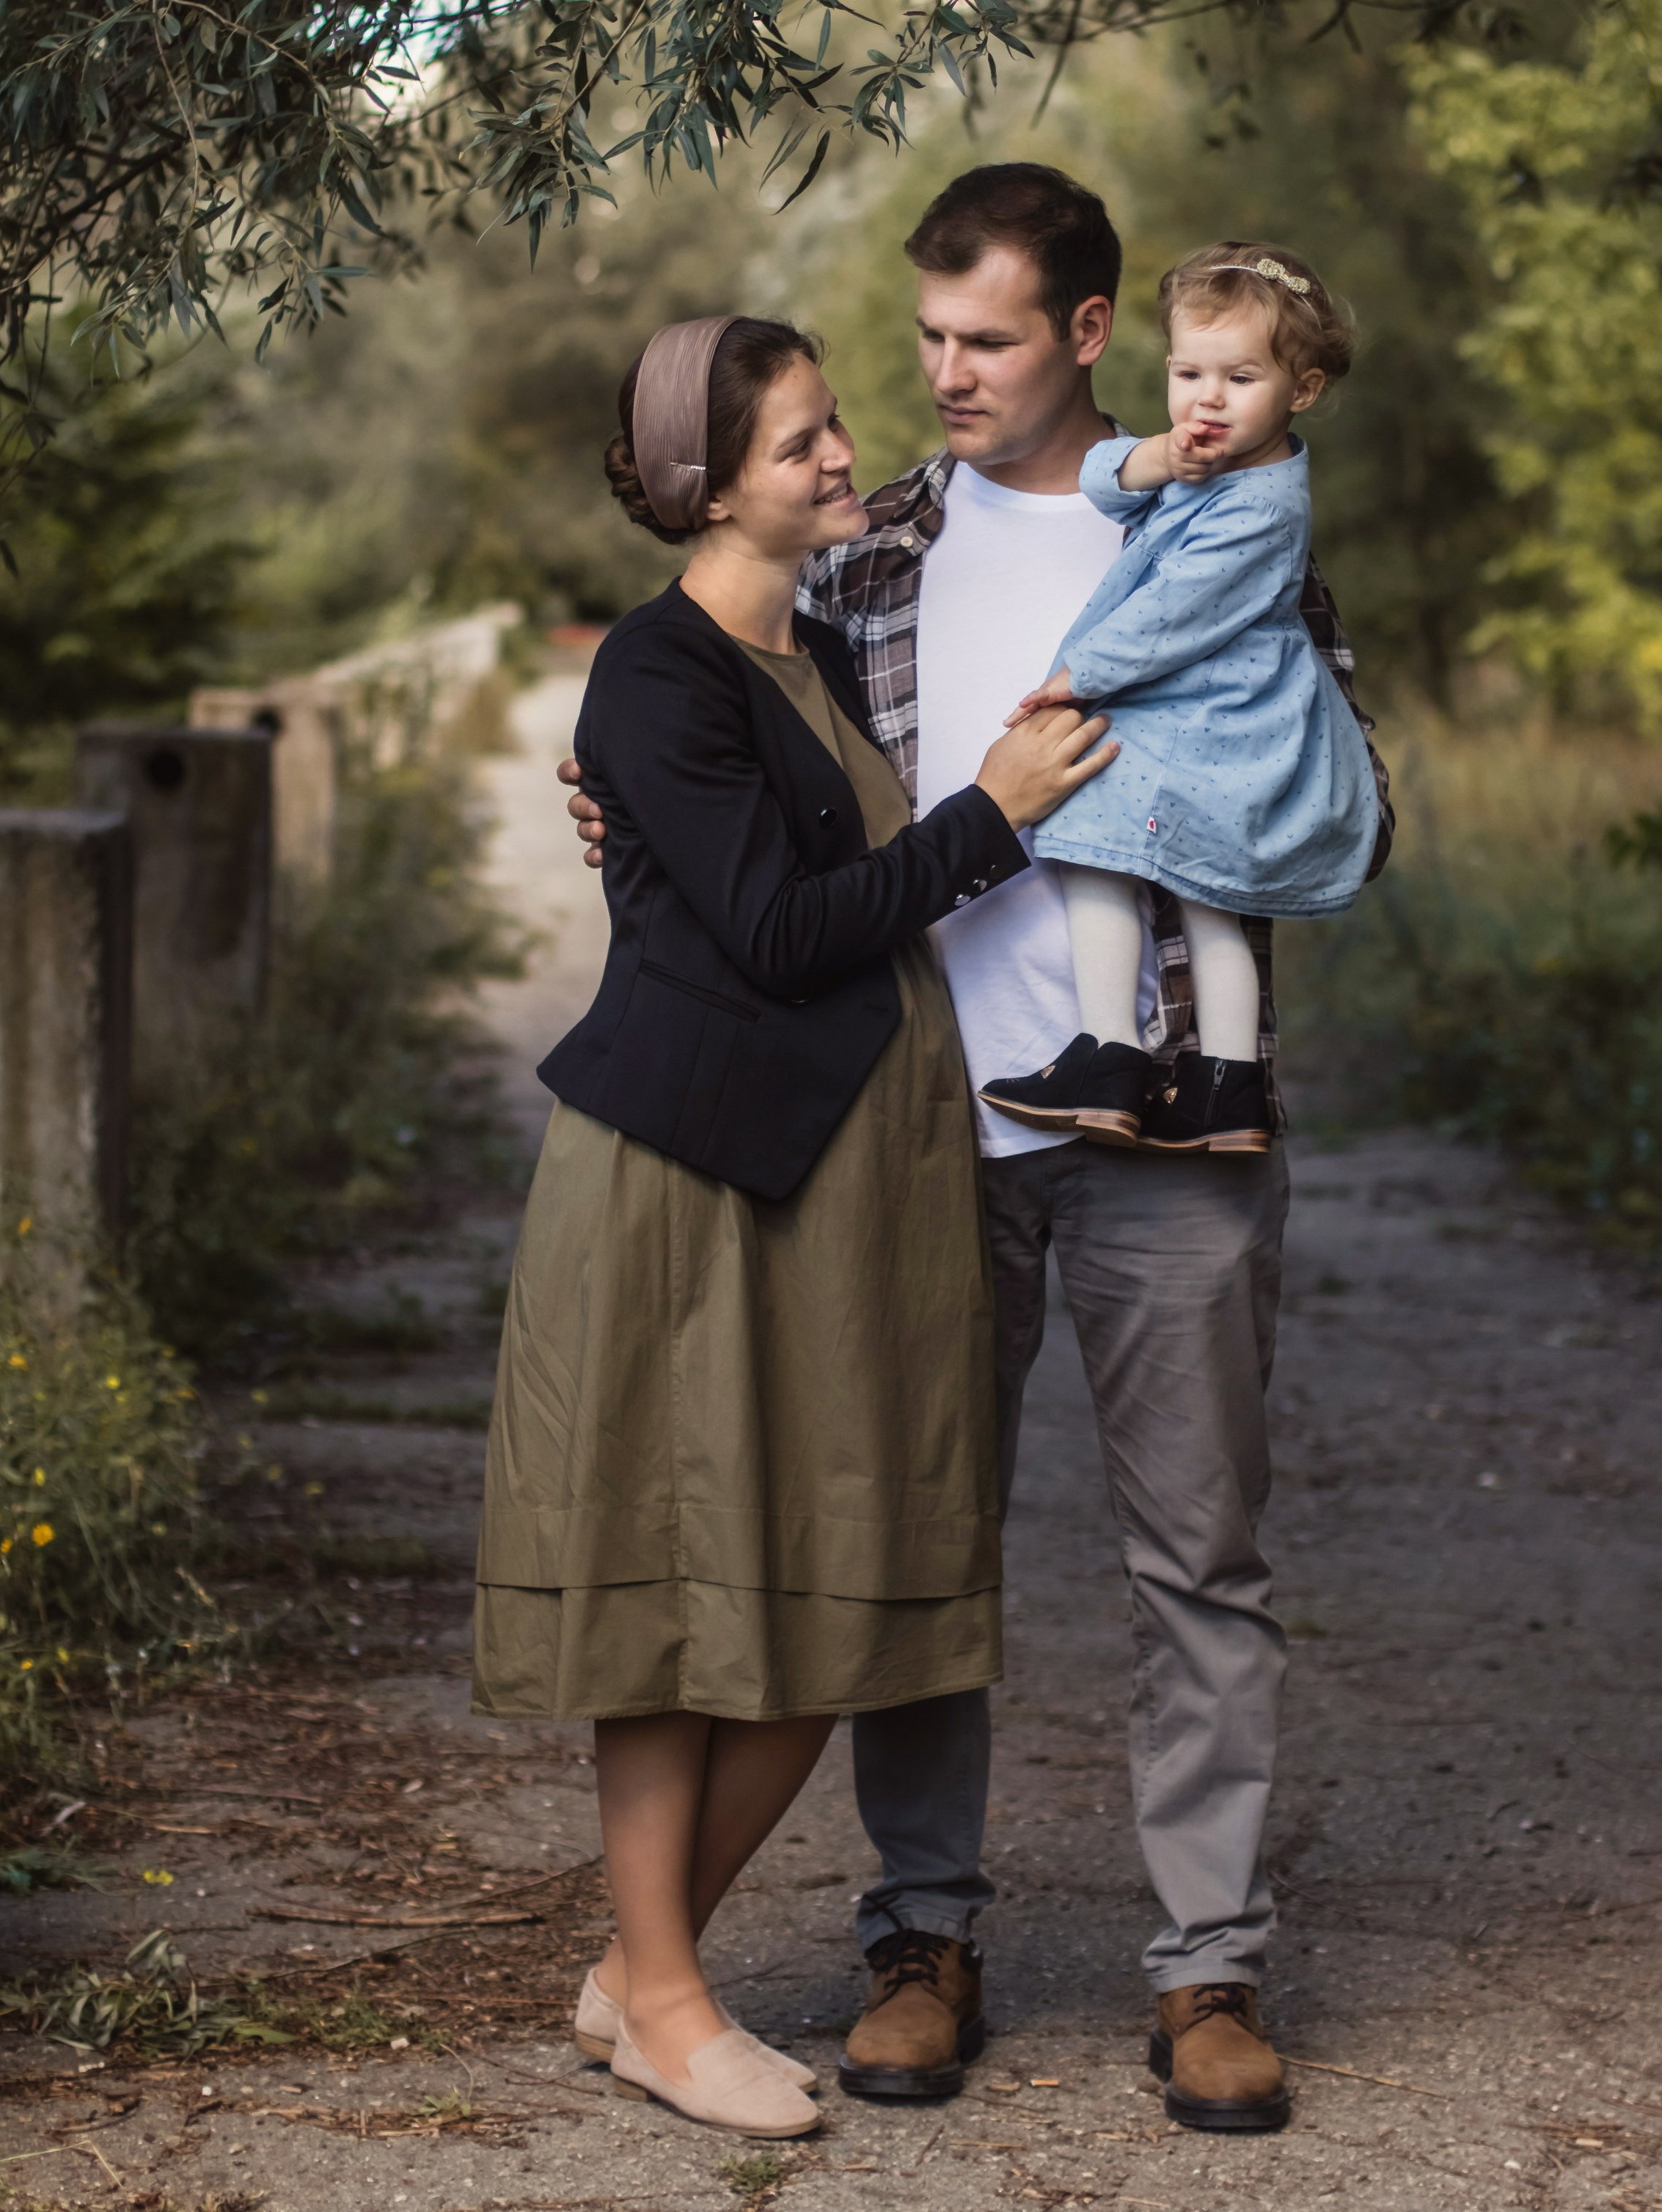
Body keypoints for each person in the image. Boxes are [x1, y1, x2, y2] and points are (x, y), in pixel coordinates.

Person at [560, 171, 1392, 2138]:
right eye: (925, 339)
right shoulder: (864, 559)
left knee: (1202, 1552)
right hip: (917, 1128)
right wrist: (621, 797)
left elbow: (1333, 774)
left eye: (988, 339)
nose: (943, 376)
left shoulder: (1218, 500)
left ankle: (1209, 1970)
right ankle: (920, 1938)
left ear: (1088, 334)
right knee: (919, 1552)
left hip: (1166, 1119)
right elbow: (731, 761)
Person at [476, 308, 1115, 2142]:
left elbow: (770, 871)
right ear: (705, 482)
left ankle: (635, 1963)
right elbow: (775, 931)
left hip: (820, 1182)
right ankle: (667, 1997)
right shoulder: (655, 675)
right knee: (679, 1602)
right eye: (800, 444)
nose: (841, 459)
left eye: (834, 431)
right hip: (685, 1184)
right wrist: (985, 819)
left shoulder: (815, 643)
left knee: (819, 1607)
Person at [981, 241, 1381, 1154]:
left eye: (1239, 377)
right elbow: (1099, 482)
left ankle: (1109, 1057)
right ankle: (1221, 1087)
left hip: (1215, 725)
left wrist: (1074, 682)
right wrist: (1158, 459)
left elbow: (1173, 614)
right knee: (1209, 907)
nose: (1207, 398)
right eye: (1188, 373)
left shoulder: (1263, 505)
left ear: (1301, 391)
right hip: (1210, 726)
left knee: (1085, 843)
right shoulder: (1210, 466)